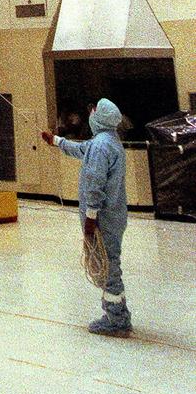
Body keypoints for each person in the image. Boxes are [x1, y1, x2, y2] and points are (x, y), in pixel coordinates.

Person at [42, 98, 131, 336]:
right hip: (113, 216)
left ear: (99, 116)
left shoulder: (101, 146)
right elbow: (82, 150)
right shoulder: (107, 141)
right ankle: (116, 312)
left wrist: (91, 217)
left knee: (109, 265)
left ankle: (117, 318)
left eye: (93, 110)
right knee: (108, 262)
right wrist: (56, 141)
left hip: (103, 217)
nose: (90, 113)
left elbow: (94, 184)